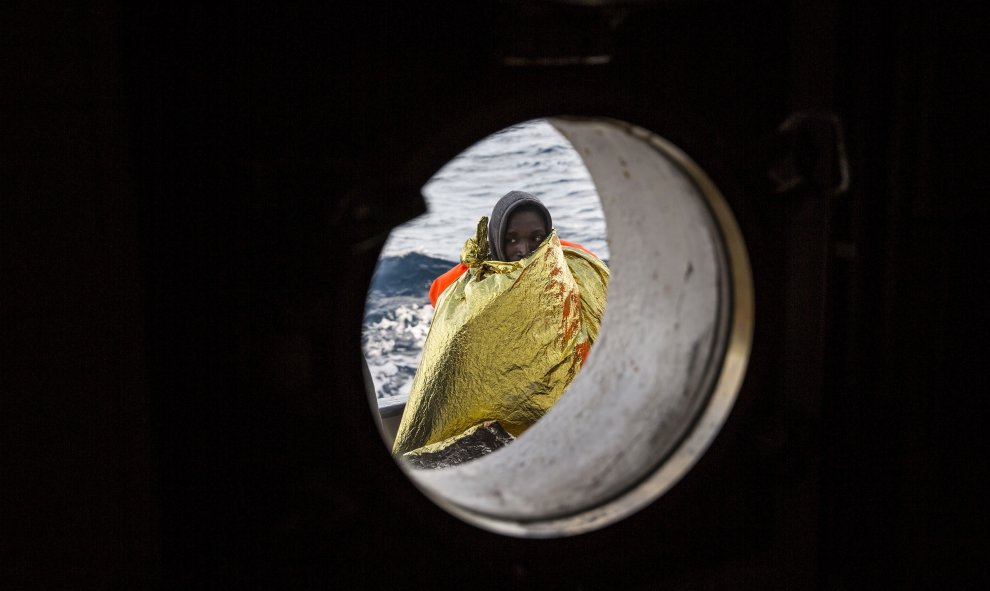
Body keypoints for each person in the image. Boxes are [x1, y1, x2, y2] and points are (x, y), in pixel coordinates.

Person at [393, 190, 609, 459]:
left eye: (537, 238)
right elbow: (439, 293)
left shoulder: (571, 269)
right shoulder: (478, 287)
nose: (524, 250)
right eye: (511, 239)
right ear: (497, 240)